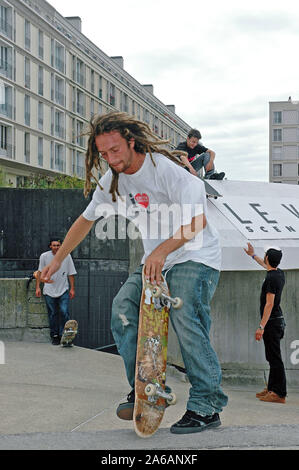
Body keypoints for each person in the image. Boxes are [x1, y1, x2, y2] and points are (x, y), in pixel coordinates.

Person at [40, 111, 228, 434]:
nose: (111, 160)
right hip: (157, 260)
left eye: (115, 151)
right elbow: (86, 221)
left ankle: (207, 404)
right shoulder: (112, 181)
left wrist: (160, 251)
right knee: (122, 309)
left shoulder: (165, 171)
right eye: (104, 154)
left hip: (197, 255)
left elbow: (197, 223)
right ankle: (143, 388)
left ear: (131, 141)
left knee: (183, 312)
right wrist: (56, 262)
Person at [244, 243, 286, 403]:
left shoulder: (270, 279)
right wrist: (252, 255)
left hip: (272, 323)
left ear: (268, 258)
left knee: (275, 358)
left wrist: (261, 326)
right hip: (277, 321)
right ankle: (271, 388)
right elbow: (265, 264)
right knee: (272, 357)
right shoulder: (278, 273)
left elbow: (269, 304)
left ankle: (279, 393)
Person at [36, 238, 77, 345]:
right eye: (54, 245)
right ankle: (55, 335)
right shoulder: (44, 256)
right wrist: (37, 287)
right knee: (53, 313)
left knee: (64, 311)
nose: (56, 247)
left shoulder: (67, 256)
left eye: (58, 245)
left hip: (63, 289)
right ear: (50, 246)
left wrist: (72, 288)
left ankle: (66, 335)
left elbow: (71, 273)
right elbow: (40, 272)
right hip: (49, 290)